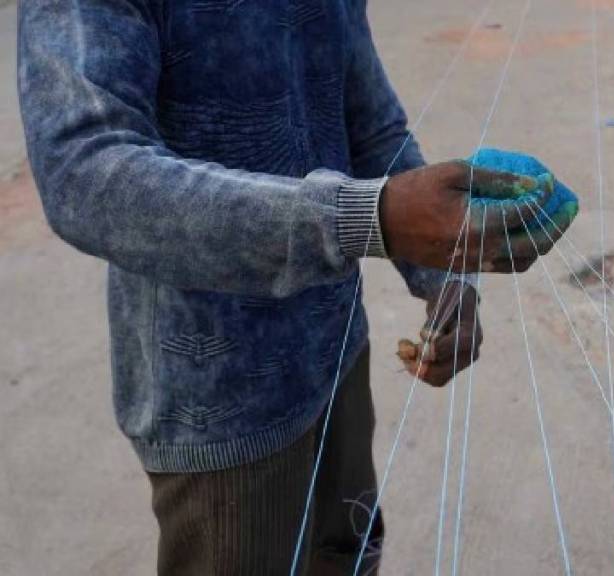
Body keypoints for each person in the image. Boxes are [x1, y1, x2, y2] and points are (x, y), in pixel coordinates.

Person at [17, 1, 576, 574]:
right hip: (219, 404)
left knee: (347, 556)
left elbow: (368, 121)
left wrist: (441, 270)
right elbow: (84, 174)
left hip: (335, 353)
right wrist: (369, 218)